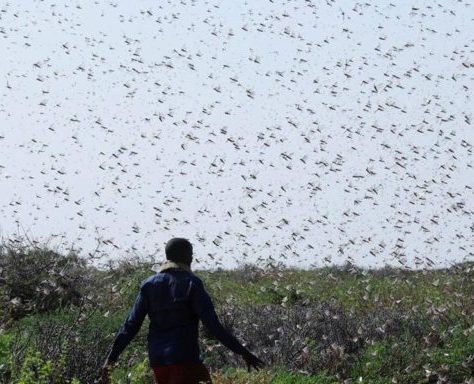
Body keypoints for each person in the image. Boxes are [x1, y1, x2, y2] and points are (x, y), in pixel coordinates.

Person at [101, 237, 264, 384]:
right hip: (185, 360)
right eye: (190, 254)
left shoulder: (148, 285)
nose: (192, 258)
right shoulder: (191, 283)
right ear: (187, 257)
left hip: (158, 362)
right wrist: (243, 352)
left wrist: (110, 359)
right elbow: (213, 326)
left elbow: (130, 326)